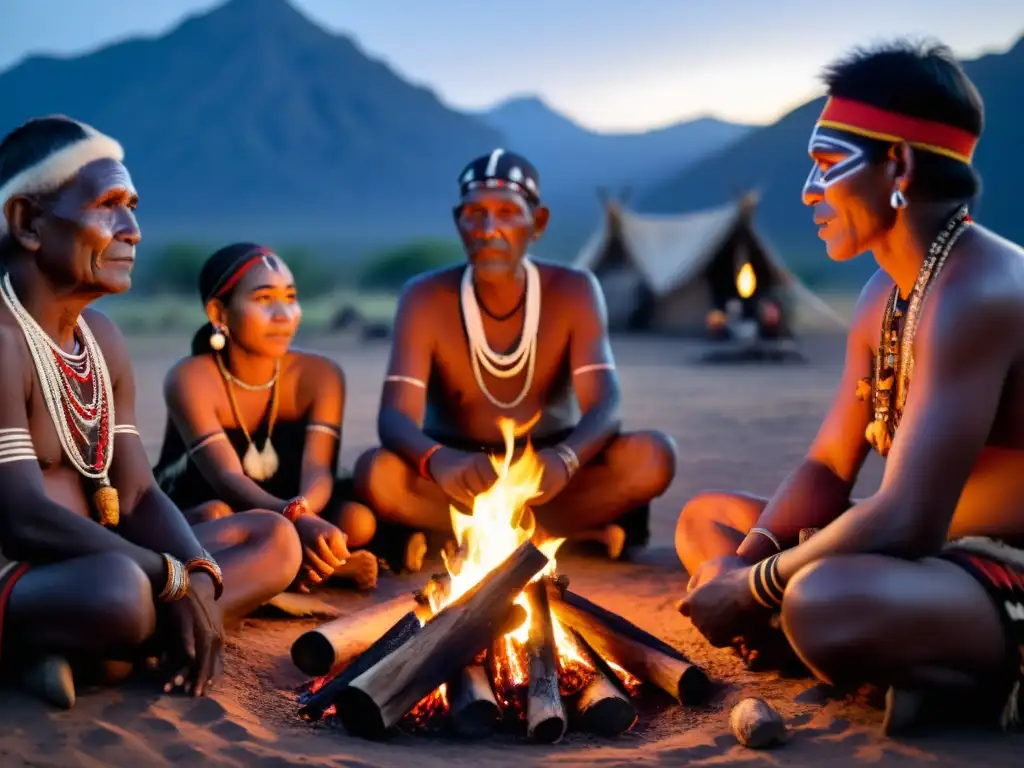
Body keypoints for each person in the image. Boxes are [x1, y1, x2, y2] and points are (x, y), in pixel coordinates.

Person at [675, 39, 1024, 732]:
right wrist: (740, 570)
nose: (809, 189)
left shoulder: (979, 291)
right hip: (925, 557)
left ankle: (951, 672)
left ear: (897, 164)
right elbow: (830, 464)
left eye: (829, 164)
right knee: (706, 522)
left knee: (819, 601)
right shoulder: (885, 293)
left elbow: (907, 518)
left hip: (1000, 565)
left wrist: (750, 590)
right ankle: (908, 662)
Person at [0, 115, 302, 708]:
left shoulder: (102, 339)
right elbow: (22, 518)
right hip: (23, 570)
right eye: (109, 205)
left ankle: (81, 648)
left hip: (108, 560)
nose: (133, 230)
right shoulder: (3, 339)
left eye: (133, 206)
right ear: (29, 222)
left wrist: (189, 567)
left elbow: (135, 495)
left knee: (275, 538)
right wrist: (168, 578)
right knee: (122, 594)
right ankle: (75, 638)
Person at [354, 148, 677, 572]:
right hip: (455, 473)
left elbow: (606, 405)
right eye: (475, 214)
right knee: (376, 474)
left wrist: (566, 459)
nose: (490, 229)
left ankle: (462, 539)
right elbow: (395, 418)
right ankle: (563, 537)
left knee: (653, 456)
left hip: (552, 471)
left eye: (507, 212)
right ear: (459, 222)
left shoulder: (573, 290)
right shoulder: (425, 296)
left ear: (537, 223)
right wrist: (438, 460)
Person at [155, 244, 379, 590]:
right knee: (216, 516)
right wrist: (293, 518)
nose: (284, 314)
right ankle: (299, 570)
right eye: (264, 300)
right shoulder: (190, 378)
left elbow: (318, 469)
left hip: (292, 500)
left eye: (290, 298)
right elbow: (228, 476)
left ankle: (289, 562)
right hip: (214, 502)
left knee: (357, 521)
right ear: (218, 313)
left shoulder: (320, 375)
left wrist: (302, 511)